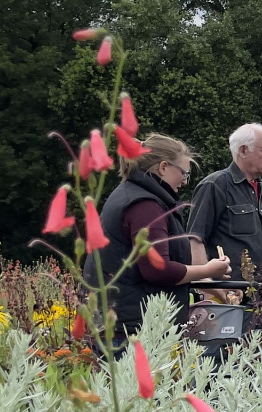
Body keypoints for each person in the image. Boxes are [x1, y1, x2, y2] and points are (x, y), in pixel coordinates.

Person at [88, 134, 231, 338]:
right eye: (183, 173)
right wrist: (207, 270)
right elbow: (158, 270)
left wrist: (205, 283)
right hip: (133, 328)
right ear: (163, 167)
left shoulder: (132, 195)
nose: (184, 182)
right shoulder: (145, 206)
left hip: (122, 320)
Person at [186, 123, 262, 286]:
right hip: (231, 293)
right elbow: (195, 239)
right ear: (243, 150)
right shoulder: (215, 185)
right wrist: (208, 287)